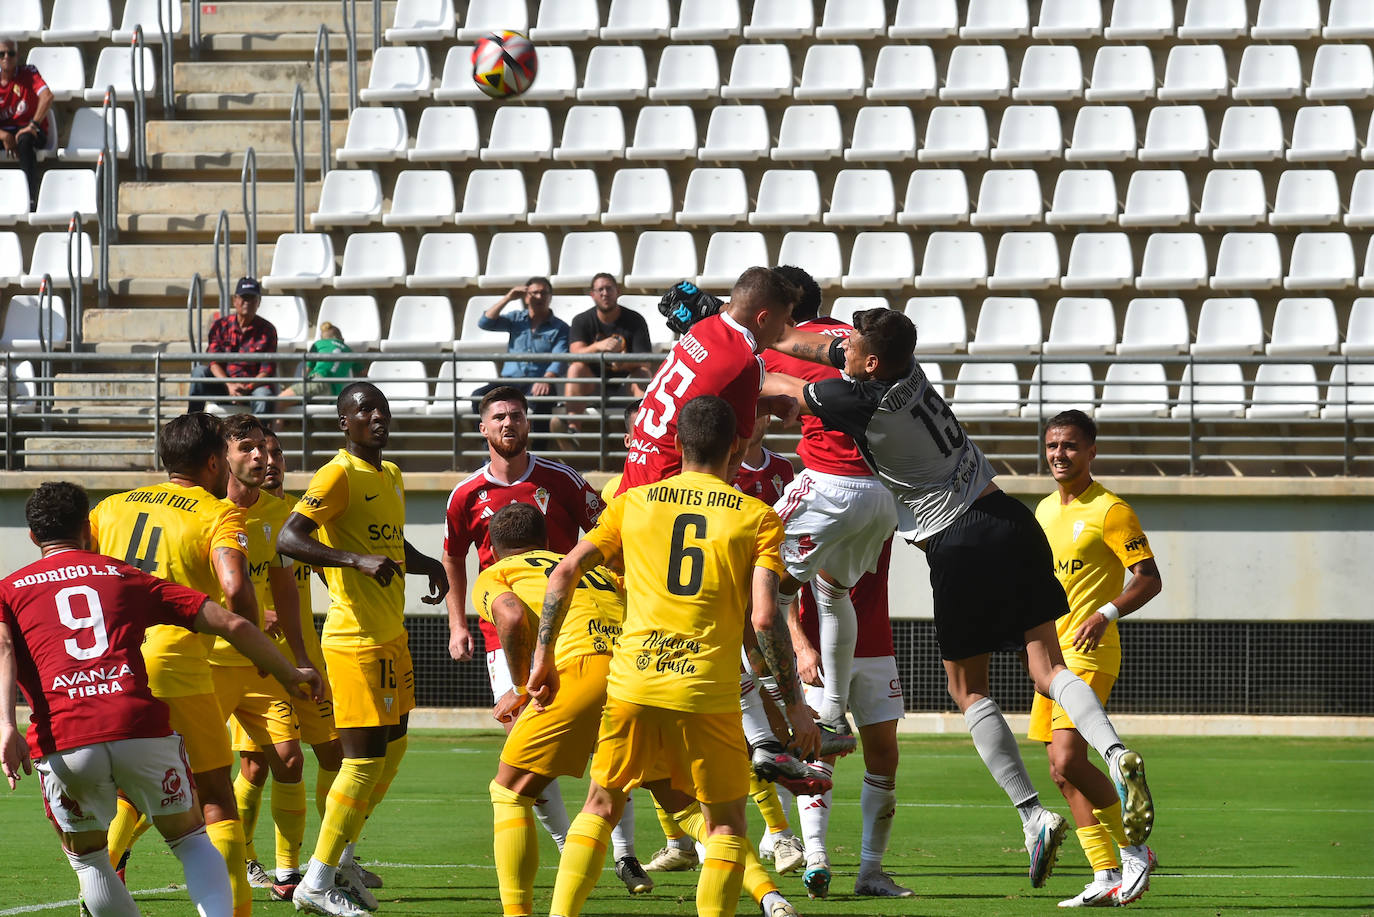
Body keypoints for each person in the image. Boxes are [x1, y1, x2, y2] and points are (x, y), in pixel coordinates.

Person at [764, 308, 1156, 890]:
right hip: (1008, 515)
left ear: (871, 362)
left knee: (967, 689)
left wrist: (744, 349)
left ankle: (1031, 813)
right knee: (1048, 668)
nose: (840, 349)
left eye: (851, 347)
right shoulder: (909, 372)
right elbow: (845, 352)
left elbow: (786, 386)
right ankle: (1116, 751)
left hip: (956, 538)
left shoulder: (860, 402)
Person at [529, 395, 821, 917]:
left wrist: (542, 657)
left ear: (679, 444)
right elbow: (763, 618)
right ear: (736, 445)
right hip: (706, 692)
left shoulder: (633, 503)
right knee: (726, 824)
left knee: (600, 805)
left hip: (633, 685)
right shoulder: (758, 517)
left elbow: (563, 572)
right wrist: (794, 705)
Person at [0, 482, 321, 917]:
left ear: (34, 537)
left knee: (90, 860)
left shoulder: (9, 590)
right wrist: (288, 672)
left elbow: (3, 651)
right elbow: (233, 623)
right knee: (191, 840)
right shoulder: (122, 576)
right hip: (139, 728)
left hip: (66, 738)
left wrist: (6, 725)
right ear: (86, 529)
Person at [441, 386, 651, 891]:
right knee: (528, 748)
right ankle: (568, 843)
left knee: (608, 742)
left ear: (528, 422)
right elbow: (452, 557)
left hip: (579, 629)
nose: (508, 423)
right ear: (483, 429)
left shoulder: (561, 479)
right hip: (507, 635)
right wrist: (456, 623)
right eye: (498, 417)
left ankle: (623, 854)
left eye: (516, 415)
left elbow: (608, 534)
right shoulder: (466, 494)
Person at [89, 412, 279, 917]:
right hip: (178, 666)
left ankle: (97, 895)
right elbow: (237, 589)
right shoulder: (218, 513)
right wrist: (253, 646)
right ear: (215, 460)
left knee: (129, 790)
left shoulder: (109, 507)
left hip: (113, 669)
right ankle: (233, 911)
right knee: (215, 793)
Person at [277, 382, 449, 917]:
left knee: (393, 749)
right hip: (353, 639)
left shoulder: (390, 474)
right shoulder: (338, 474)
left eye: (380, 407)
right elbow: (289, 538)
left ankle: (344, 855)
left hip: (391, 637)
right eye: (362, 409)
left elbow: (392, 545)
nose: (375, 415)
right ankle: (316, 880)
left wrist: (430, 564)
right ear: (343, 423)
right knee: (362, 760)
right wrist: (353, 561)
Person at [1033, 411, 1162, 908]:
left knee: (1068, 757)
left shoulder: (1111, 510)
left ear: (1091, 452)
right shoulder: (1043, 511)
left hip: (1089, 653)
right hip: (1049, 656)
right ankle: (1104, 871)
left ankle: (1134, 853)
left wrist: (1106, 613)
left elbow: (1148, 578)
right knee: (1061, 772)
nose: (1058, 455)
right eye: (1051, 446)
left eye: (1069, 446)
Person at [476, 503, 628, 916]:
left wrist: (525, 689)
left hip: (580, 671)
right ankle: (767, 895)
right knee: (681, 800)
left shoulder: (496, 572)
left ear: (491, 547)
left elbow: (509, 618)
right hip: (638, 673)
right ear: (546, 541)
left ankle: (517, 913)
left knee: (509, 792)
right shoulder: (583, 564)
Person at [230, 431, 353, 902]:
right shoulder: (230, 516)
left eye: (278, 453)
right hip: (255, 664)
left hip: (306, 658)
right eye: (262, 453)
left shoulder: (298, 520)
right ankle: (249, 857)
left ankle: (334, 857)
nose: (271, 461)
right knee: (259, 766)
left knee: (333, 755)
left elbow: (331, 573)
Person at [210, 416, 316, 903]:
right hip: (209, 663)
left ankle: (287, 872)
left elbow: (287, 593)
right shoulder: (204, 510)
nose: (261, 459)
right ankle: (111, 859)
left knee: (288, 760)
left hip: (261, 661)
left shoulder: (281, 514)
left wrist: (295, 659)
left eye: (267, 451)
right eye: (249, 449)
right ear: (223, 457)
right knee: (182, 777)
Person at [786, 539, 912, 899]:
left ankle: (871, 873)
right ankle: (815, 858)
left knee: (885, 756)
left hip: (877, 649)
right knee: (818, 751)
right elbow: (784, 582)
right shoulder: (814, 499)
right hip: (819, 649)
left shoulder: (885, 495)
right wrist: (800, 646)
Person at [617, 268, 801, 496]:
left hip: (637, 473)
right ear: (763, 318)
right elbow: (735, 455)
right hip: (665, 493)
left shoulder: (703, 327)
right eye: (783, 321)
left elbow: (704, 410)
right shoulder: (744, 361)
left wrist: (769, 406)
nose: (783, 331)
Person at [473, 277, 569, 433]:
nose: (539, 297)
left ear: (550, 297)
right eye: (534, 293)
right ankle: (489, 451)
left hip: (538, 382)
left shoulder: (561, 327)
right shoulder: (515, 319)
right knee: (479, 397)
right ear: (526, 297)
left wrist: (547, 379)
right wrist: (508, 297)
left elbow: (561, 357)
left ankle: (539, 451)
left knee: (543, 398)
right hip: (510, 381)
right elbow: (485, 322)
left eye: (543, 293)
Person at [564, 274, 653, 424]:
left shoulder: (635, 320)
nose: (605, 293)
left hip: (626, 383)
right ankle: (572, 429)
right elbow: (574, 354)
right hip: (593, 383)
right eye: (600, 290)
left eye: (609, 289)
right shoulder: (581, 320)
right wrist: (598, 346)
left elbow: (646, 360)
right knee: (575, 369)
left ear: (617, 291)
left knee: (643, 374)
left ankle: (642, 433)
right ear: (592, 295)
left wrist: (623, 363)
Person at [189, 278, 280, 421]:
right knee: (199, 372)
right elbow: (213, 361)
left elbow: (267, 370)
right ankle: (191, 428)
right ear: (235, 300)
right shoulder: (221, 325)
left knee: (264, 395)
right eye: (244, 297)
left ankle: (258, 440)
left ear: (258, 302)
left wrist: (247, 387)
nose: (247, 302)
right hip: (224, 386)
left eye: (252, 298)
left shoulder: (268, 330)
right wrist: (230, 384)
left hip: (253, 388)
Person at [0, 37, 51, 210]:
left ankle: (29, 198)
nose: (6, 57)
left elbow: (47, 97)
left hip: (31, 128)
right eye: (2, 54)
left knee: (25, 140)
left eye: (11, 53)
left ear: (17, 56)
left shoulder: (29, 73)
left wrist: (33, 125)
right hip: (5, 131)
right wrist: (3, 135)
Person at [278, 323, 362, 411]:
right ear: (342, 339)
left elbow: (305, 373)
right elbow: (363, 372)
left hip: (318, 382)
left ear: (322, 338)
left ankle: (272, 425)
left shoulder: (319, 344)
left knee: (278, 401)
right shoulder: (350, 351)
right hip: (333, 395)